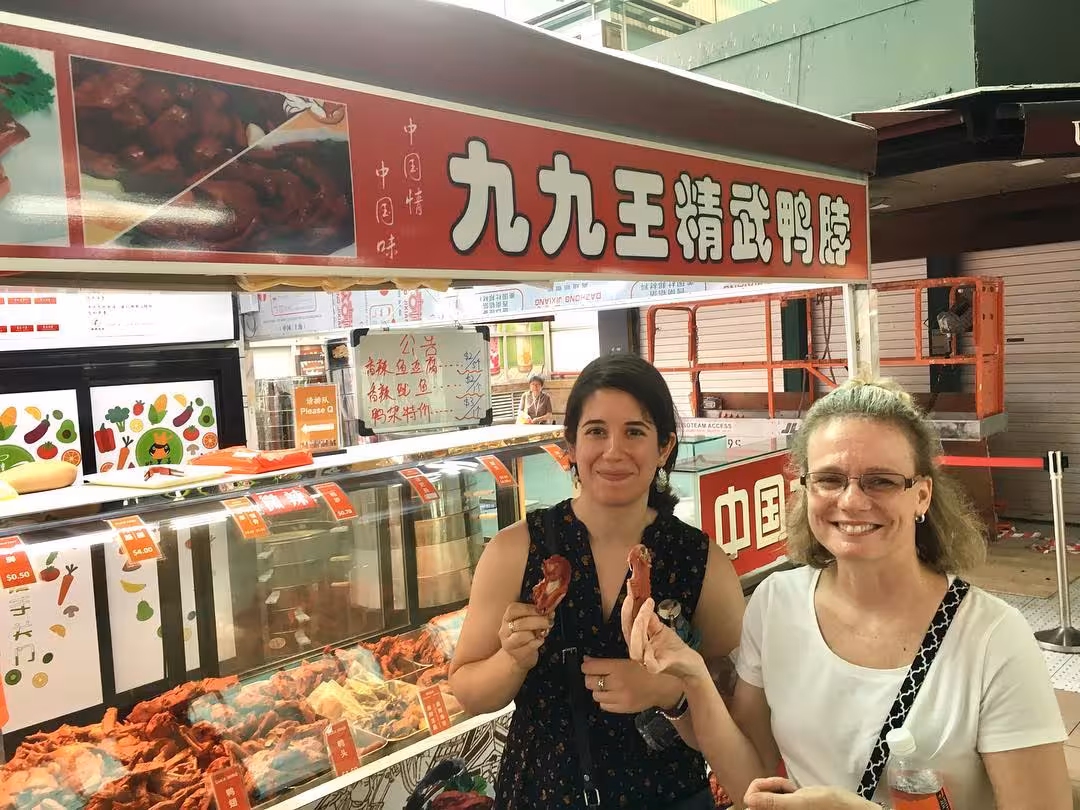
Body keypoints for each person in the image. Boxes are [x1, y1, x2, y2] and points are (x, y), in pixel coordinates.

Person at [623, 377, 1071, 810]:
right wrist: (692, 676)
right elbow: (754, 781)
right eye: (830, 479)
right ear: (805, 491)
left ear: (922, 495)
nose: (853, 501)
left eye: (880, 480)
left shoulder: (993, 639)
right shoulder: (775, 603)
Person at [450, 353, 746, 809]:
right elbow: (468, 691)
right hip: (540, 793)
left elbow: (735, 689)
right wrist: (511, 660)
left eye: (634, 432)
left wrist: (671, 689)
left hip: (667, 796)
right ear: (570, 444)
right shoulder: (516, 550)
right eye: (595, 432)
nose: (613, 451)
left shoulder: (699, 561)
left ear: (664, 447)